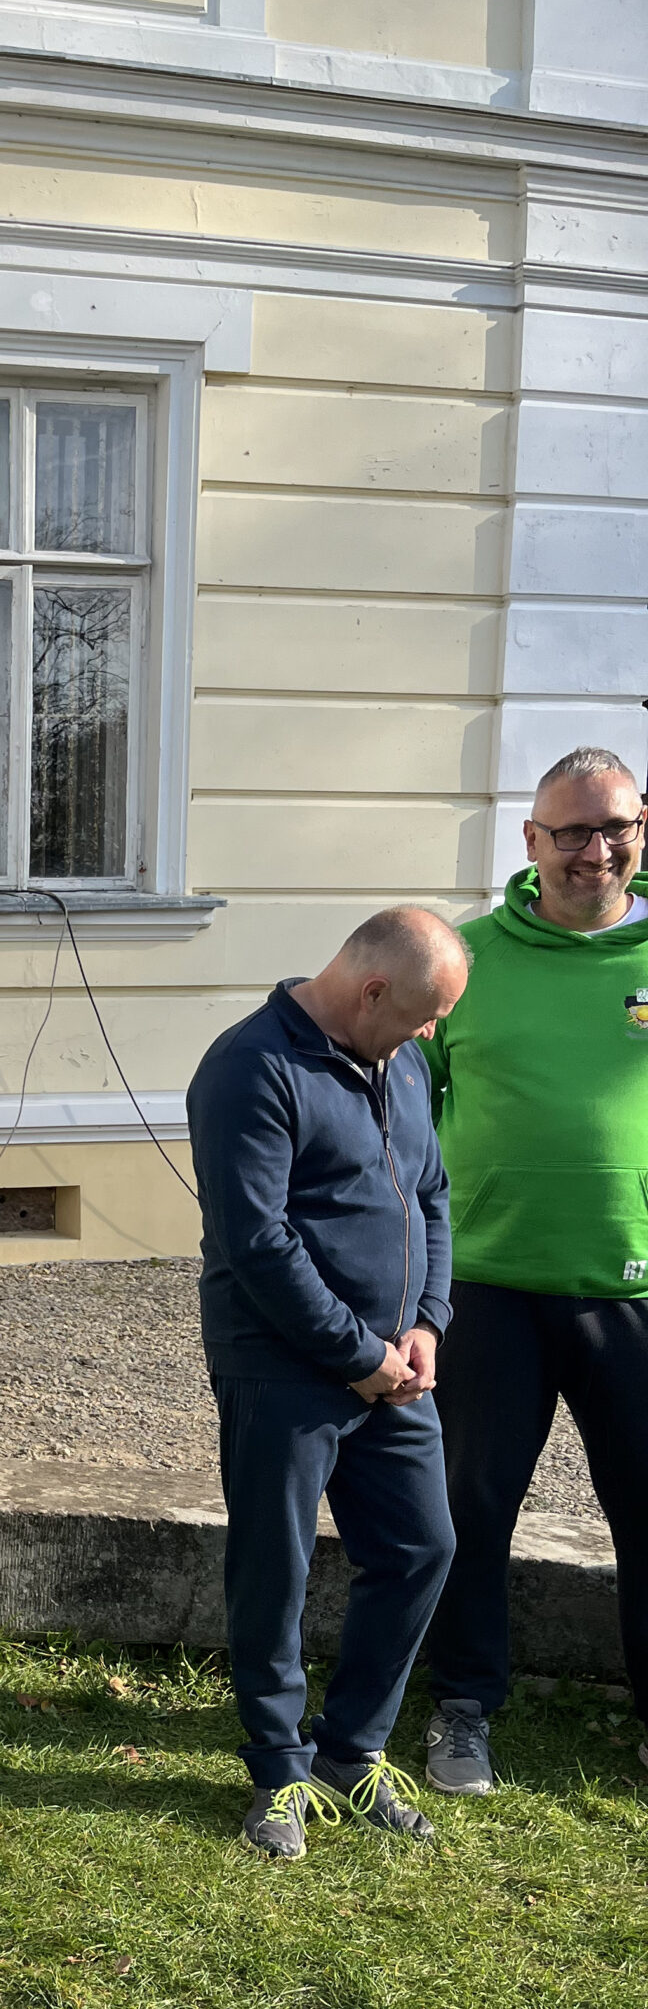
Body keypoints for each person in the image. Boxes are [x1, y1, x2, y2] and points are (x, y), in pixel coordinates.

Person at [186, 907, 470, 1858]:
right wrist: (360, 1356)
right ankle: (278, 1768)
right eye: (423, 1014)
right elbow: (257, 1241)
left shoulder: (405, 1062)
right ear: (372, 990)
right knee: (276, 1567)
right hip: (282, 1367)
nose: (430, 1033)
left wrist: (427, 1322)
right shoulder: (250, 1067)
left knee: (422, 1547)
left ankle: (352, 1751)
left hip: (395, 1367)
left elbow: (431, 1195)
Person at [422, 746, 648, 1792]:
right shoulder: (465, 963)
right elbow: (404, 1117)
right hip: (487, 1287)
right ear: (531, 840)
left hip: (631, 1290)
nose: (594, 851)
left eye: (615, 828)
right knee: (469, 1510)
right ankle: (463, 1706)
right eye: (571, 832)